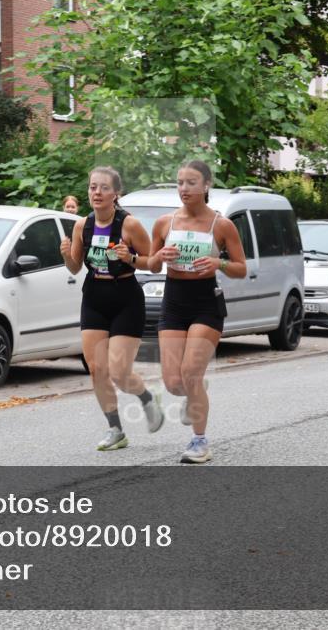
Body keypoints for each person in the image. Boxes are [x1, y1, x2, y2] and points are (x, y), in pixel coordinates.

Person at [146, 160, 246, 463]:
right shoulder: (165, 223)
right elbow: (149, 264)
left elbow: (242, 268)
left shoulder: (222, 225)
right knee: (174, 384)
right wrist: (160, 256)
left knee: (189, 372)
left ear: (206, 186)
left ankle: (200, 442)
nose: (184, 189)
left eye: (191, 182)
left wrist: (220, 263)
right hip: (174, 302)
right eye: (179, 183)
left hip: (206, 302)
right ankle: (194, 389)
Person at [61, 167, 162, 451]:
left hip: (125, 298)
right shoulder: (83, 225)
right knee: (96, 369)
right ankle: (115, 429)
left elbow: (154, 262)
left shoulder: (129, 225)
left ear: (115, 193)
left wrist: (130, 257)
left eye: (103, 188)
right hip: (94, 296)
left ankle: (146, 398)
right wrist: (66, 254)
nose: (96, 193)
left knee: (119, 372)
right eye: (93, 187)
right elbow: (75, 267)